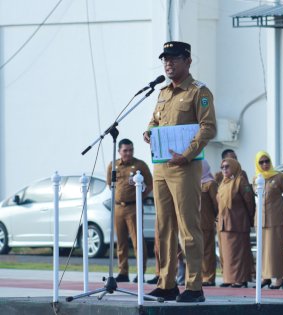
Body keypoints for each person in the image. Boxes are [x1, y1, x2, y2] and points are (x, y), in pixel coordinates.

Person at [143, 41, 216, 302]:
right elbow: (155, 120)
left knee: (188, 226)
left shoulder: (199, 92)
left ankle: (195, 286)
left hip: (185, 167)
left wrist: (187, 154)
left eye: (174, 58)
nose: (168, 63)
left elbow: (208, 128)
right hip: (161, 167)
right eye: (165, 59)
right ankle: (167, 283)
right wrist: (148, 132)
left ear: (188, 61)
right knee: (164, 228)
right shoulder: (162, 92)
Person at [106, 138, 152, 284]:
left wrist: (140, 197)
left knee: (138, 241)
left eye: (131, 150)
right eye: (125, 150)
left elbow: (150, 185)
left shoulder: (139, 165)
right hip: (119, 207)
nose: (128, 153)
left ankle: (140, 273)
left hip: (134, 207)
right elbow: (110, 184)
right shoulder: (113, 166)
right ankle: (123, 271)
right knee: (121, 242)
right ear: (119, 151)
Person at [253, 151, 283, 290]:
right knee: (262, 250)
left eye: (267, 161)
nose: (264, 164)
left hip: (275, 219)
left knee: (275, 249)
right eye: (261, 162)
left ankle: (279, 279)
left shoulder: (280, 177)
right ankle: (265, 277)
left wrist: (279, 208)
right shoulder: (256, 178)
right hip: (261, 220)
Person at [217, 158, 256, 288]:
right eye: (222, 167)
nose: (224, 169)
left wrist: (249, 218)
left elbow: (250, 202)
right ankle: (230, 278)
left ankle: (240, 279)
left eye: (227, 166)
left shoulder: (240, 181)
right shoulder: (223, 183)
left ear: (234, 166)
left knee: (238, 253)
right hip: (224, 223)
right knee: (228, 253)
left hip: (238, 222)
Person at [199, 160, 218, 286]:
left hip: (206, 221)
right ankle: (199, 276)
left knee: (207, 251)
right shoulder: (194, 183)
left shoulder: (210, 184)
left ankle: (209, 277)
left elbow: (216, 203)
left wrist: (215, 217)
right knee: (197, 251)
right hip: (194, 222)